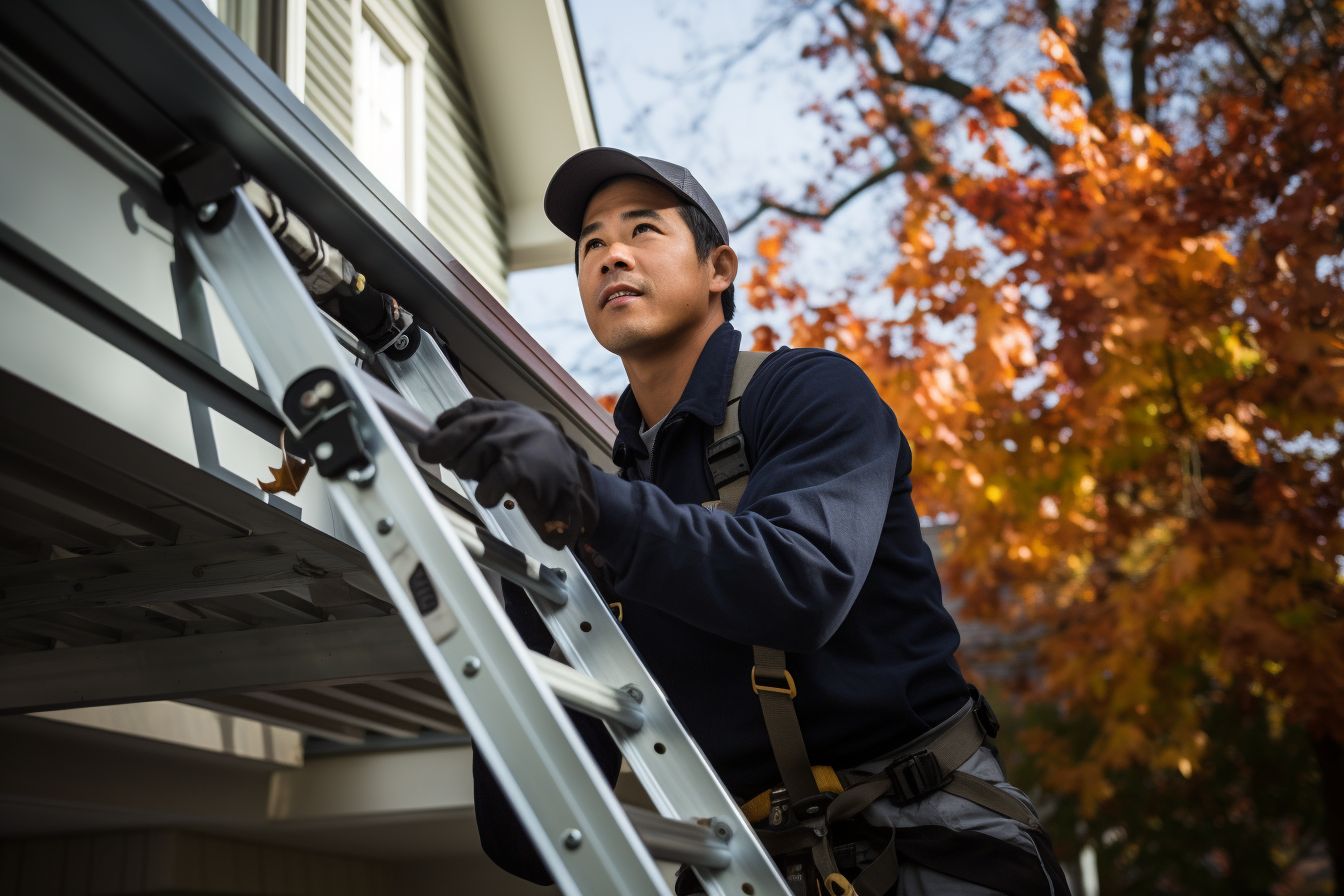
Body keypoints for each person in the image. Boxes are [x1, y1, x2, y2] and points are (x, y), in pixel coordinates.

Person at [418, 148, 1071, 895]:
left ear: (719, 268)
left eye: (642, 230)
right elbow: (529, 833)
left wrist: (587, 504)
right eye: (591, 244)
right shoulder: (607, 501)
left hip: (936, 843)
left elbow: (801, 583)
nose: (611, 254)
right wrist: (526, 576)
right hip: (752, 866)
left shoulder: (809, 394)